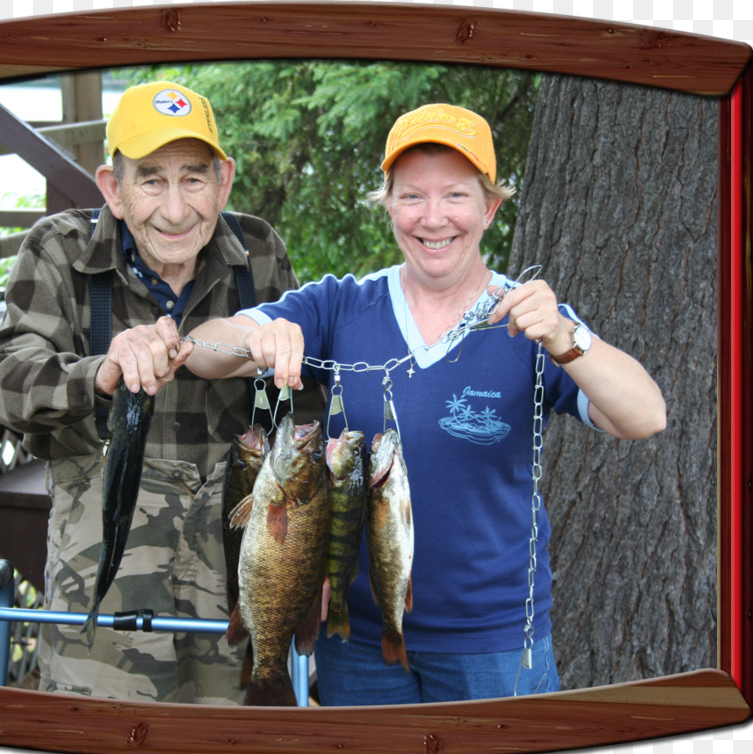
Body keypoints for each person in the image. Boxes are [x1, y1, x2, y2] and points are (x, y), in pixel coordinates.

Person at [182, 103, 667, 706]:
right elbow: (204, 353)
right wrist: (254, 338)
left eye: (456, 197)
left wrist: (570, 341)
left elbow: (646, 416)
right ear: (387, 204)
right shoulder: (340, 304)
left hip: (491, 646)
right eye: (412, 196)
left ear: (490, 208)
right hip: (354, 639)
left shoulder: (531, 320)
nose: (433, 219)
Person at [0, 80, 321, 704]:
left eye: (194, 178)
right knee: (102, 739)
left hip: (236, 533)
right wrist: (100, 373)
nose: (176, 208)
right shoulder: (59, 249)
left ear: (224, 181)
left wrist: (284, 371)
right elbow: (2, 377)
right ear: (112, 187)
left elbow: (306, 411)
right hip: (104, 544)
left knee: (230, 731)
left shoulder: (258, 251)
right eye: (151, 179)